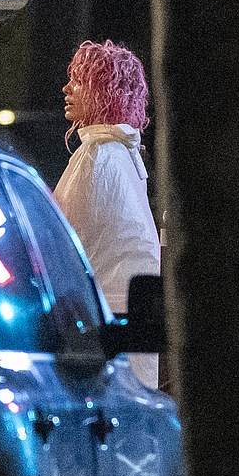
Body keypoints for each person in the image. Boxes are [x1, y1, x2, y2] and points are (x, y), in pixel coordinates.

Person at [54, 39, 160, 388]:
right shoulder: (119, 151)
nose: (67, 88)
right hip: (130, 310)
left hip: (104, 319)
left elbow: (62, 239)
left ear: (104, 92)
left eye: (79, 81)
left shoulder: (98, 156)